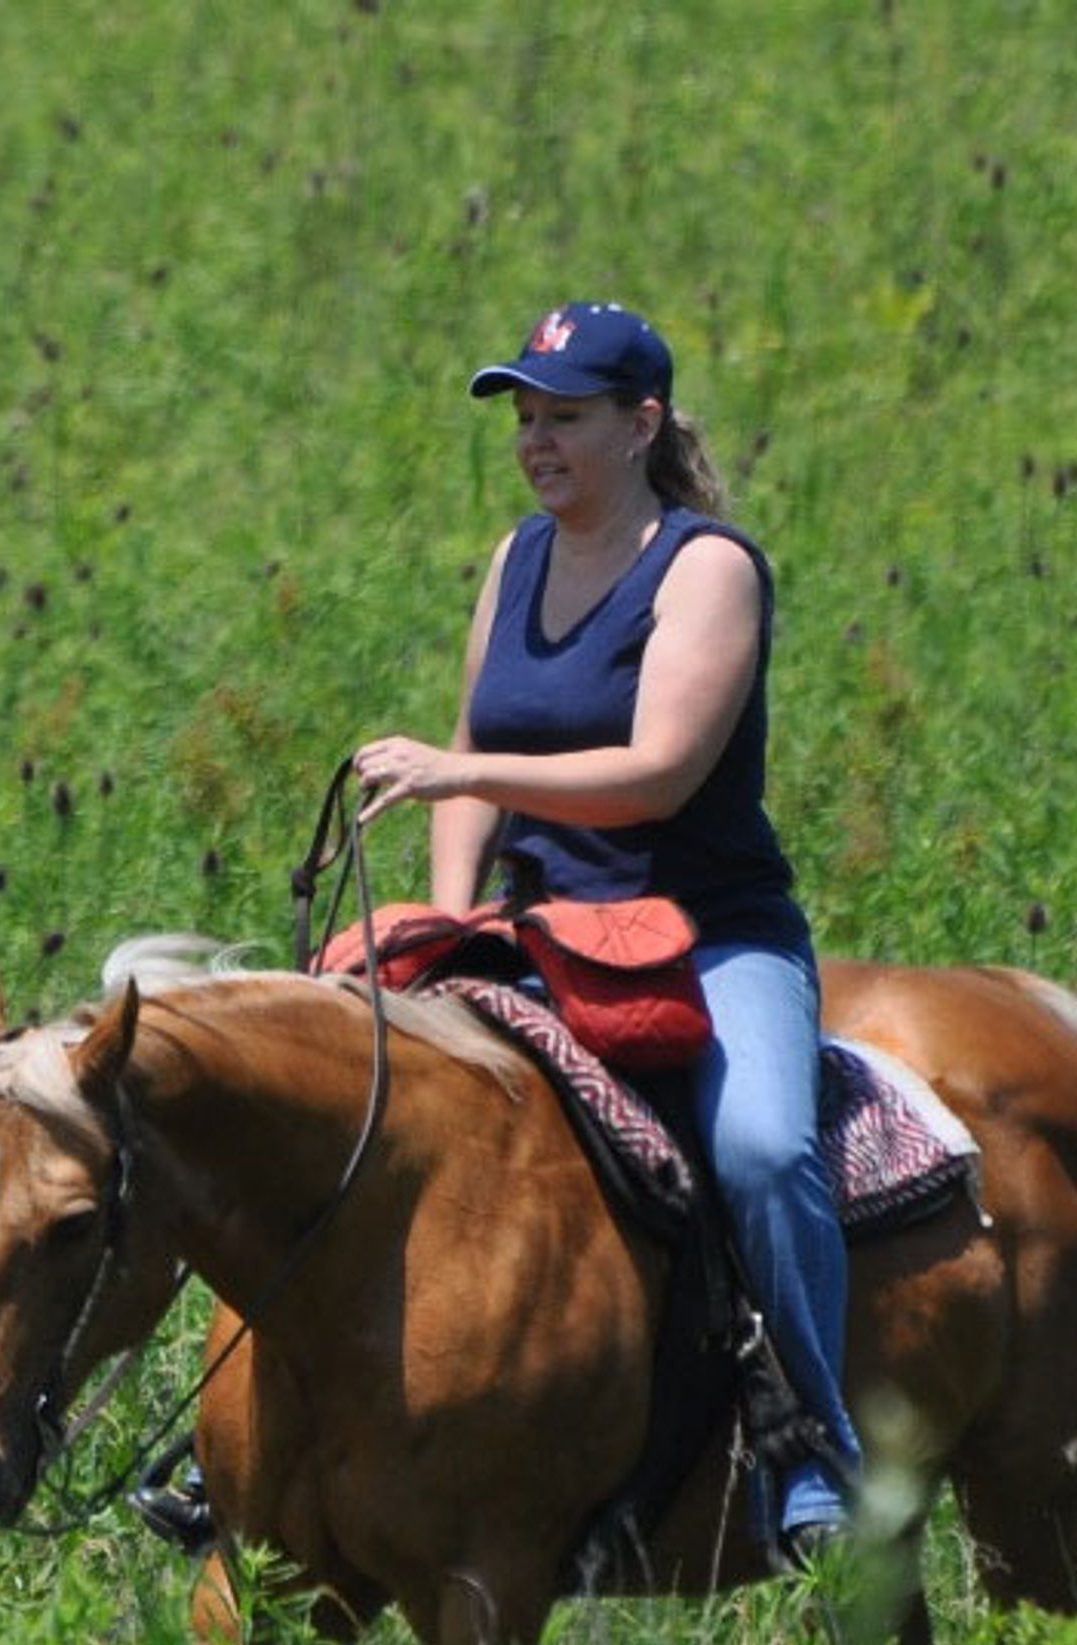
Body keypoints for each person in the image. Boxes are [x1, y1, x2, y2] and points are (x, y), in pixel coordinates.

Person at [349, 299, 856, 1563]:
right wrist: (448, 923)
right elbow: (476, 748)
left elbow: (661, 773)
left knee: (758, 1148)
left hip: (707, 934)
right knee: (353, 1093)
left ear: (638, 425)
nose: (536, 440)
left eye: (563, 417)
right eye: (524, 418)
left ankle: (812, 1453)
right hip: (542, 931)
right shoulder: (516, 558)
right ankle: (285, 1442)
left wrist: (465, 785)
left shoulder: (707, 568)